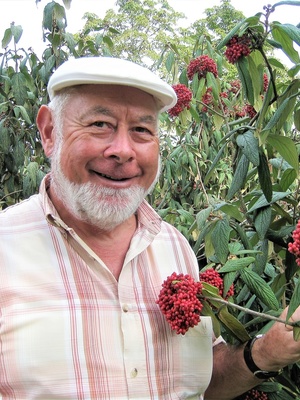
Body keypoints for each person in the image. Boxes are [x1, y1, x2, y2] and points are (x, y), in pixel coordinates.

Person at [0, 56, 299, 400]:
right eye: (100, 123)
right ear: (50, 132)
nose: (123, 151)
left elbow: (202, 384)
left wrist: (267, 352)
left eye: (142, 130)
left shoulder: (174, 246)